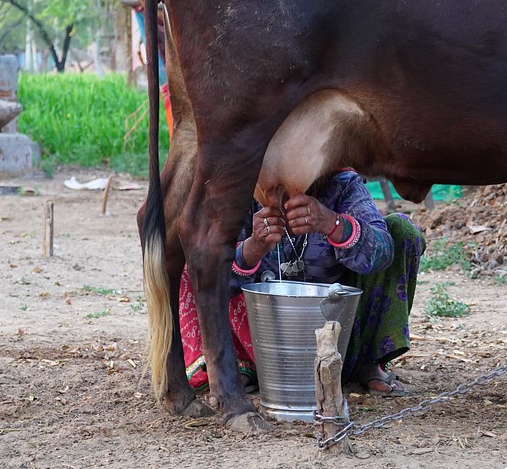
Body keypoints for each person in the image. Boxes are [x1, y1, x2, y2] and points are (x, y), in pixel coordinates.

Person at [177, 169, 425, 397]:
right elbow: (207, 275)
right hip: (258, 338)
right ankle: (239, 364)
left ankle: (365, 363)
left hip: (339, 335)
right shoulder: (240, 185)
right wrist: (253, 248)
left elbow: (383, 253)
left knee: (402, 232)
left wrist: (333, 223)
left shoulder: (342, 185)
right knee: (195, 255)